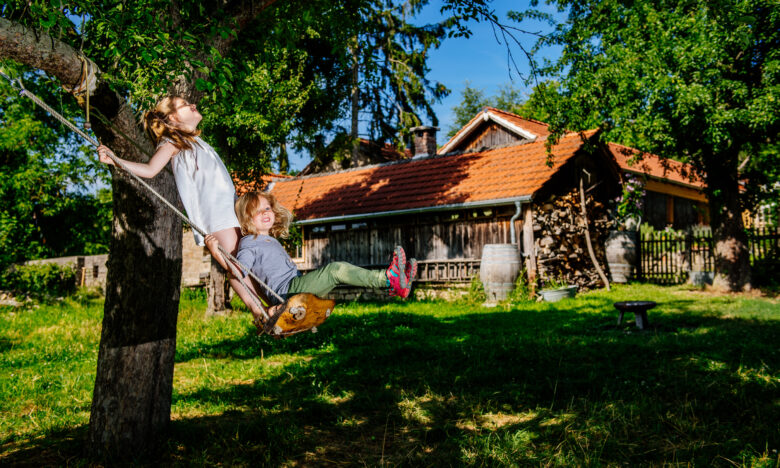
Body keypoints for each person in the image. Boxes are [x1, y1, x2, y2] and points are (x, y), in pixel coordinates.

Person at [96, 95, 263, 315]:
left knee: (246, 263)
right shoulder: (172, 142)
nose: (193, 105)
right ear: (173, 117)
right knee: (237, 265)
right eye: (185, 105)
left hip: (230, 211)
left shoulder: (196, 141)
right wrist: (115, 160)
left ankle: (269, 309)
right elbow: (150, 170)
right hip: (217, 216)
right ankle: (261, 312)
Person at [206, 191, 418, 326]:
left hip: (295, 285)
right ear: (247, 218)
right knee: (336, 270)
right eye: (257, 211)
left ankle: (400, 285)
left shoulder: (268, 240)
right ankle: (388, 279)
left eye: (267, 208)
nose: (265, 213)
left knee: (335, 273)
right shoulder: (250, 243)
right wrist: (216, 252)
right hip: (287, 293)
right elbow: (238, 272)